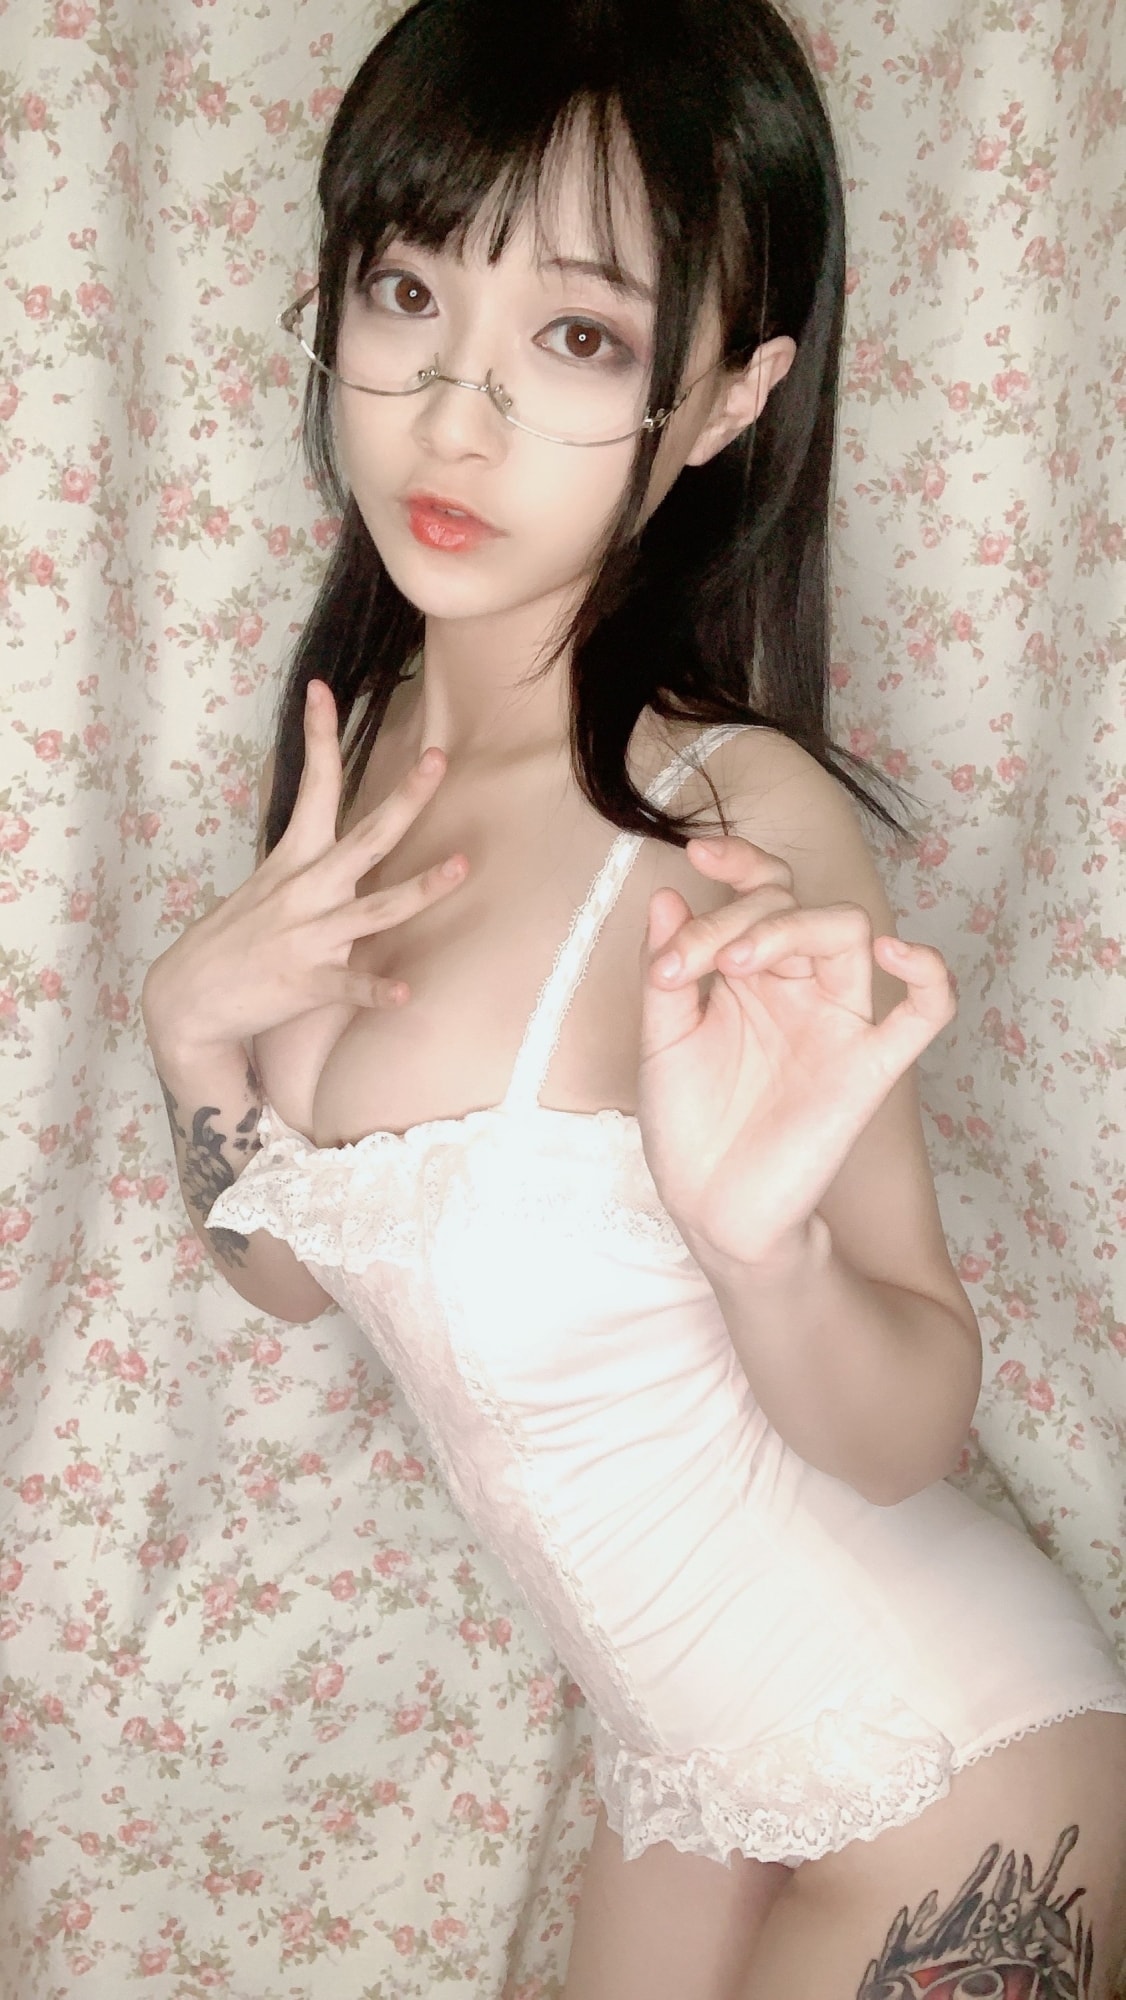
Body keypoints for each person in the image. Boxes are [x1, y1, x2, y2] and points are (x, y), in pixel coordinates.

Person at [140, 0, 1126, 1991]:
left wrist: (767, 1258)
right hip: (676, 1774)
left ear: (727, 400)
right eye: (410, 293)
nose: (456, 414)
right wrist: (193, 1035)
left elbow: (905, 1424)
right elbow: (296, 1266)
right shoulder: (351, 755)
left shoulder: (723, 823)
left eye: (576, 338)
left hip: (953, 1777)